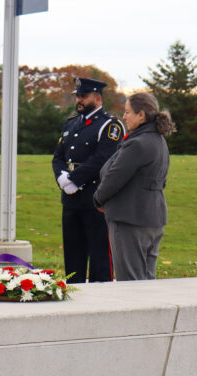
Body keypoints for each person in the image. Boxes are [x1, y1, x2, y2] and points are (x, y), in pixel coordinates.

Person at [93, 93, 175, 281]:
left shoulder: (138, 143)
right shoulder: (158, 141)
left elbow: (114, 177)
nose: (124, 117)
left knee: (130, 282)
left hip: (130, 218)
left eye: (128, 112)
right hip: (153, 217)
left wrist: (98, 199)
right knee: (146, 280)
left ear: (142, 115)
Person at [52, 77, 125, 283]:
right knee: (73, 257)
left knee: (100, 259)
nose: (79, 101)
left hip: (94, 200)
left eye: (84, 96)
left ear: (97, 98)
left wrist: (75, 180)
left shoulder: (110, 125)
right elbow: (58, 157)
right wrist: (62, 179)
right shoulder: (72, 123)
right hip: (70, 199)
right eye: (78, 97)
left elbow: (104, 158)